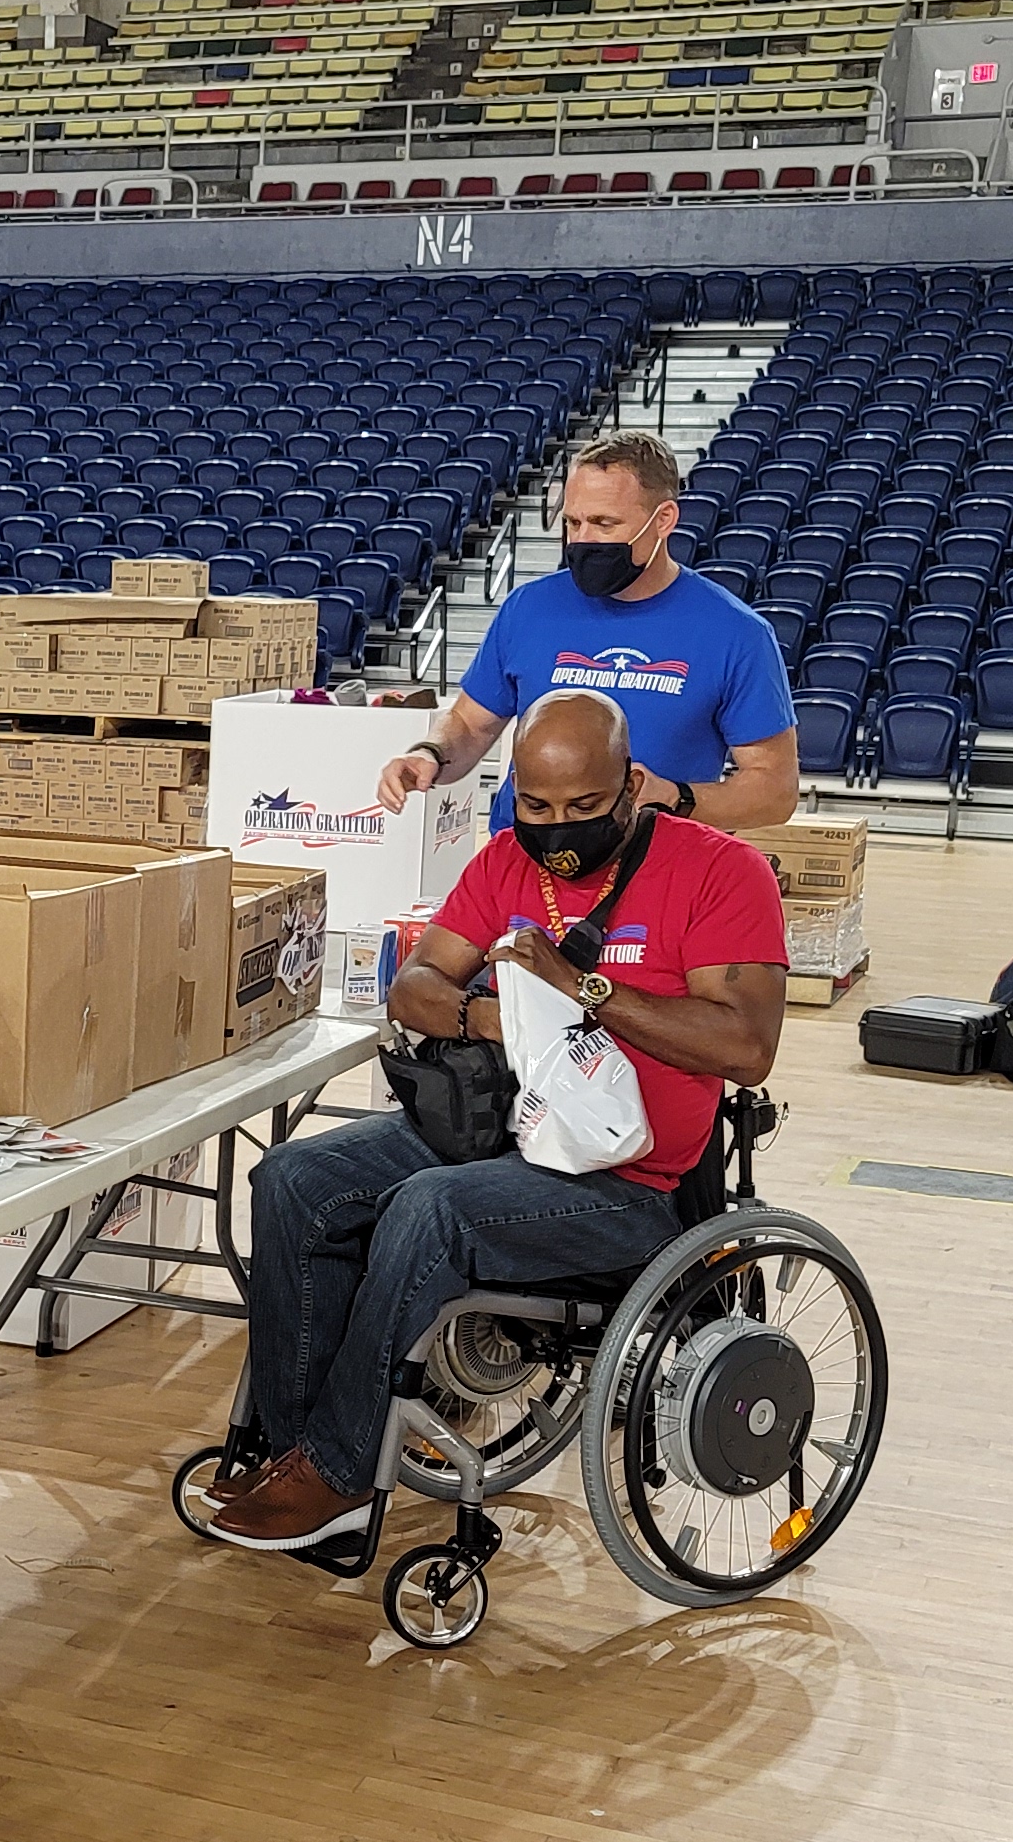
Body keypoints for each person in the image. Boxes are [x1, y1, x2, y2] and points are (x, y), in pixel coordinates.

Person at [210, 689, 786, 1553]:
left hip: (631, 1181)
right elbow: (417, 985)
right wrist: (495, 1016)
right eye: (537, 806)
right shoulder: (505, 861)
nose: (558, 830)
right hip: (500, 1132)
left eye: (585, 808)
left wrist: (580, 988)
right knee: (293, 1178)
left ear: (634, 785)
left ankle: (337, 1469)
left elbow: (746, 1047)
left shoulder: (719, 872)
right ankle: (302, 1450)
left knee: (430, 1208)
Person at [373, 429, 797, 835]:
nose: (582, 540)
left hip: (654, 870)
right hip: (524, 861)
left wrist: (674, 798)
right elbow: (471, 724)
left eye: (604, 523)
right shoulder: (529, 609)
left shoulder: (735, 633)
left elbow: (774, 791)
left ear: (664, 519)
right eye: (573, 523)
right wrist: (429, 753)